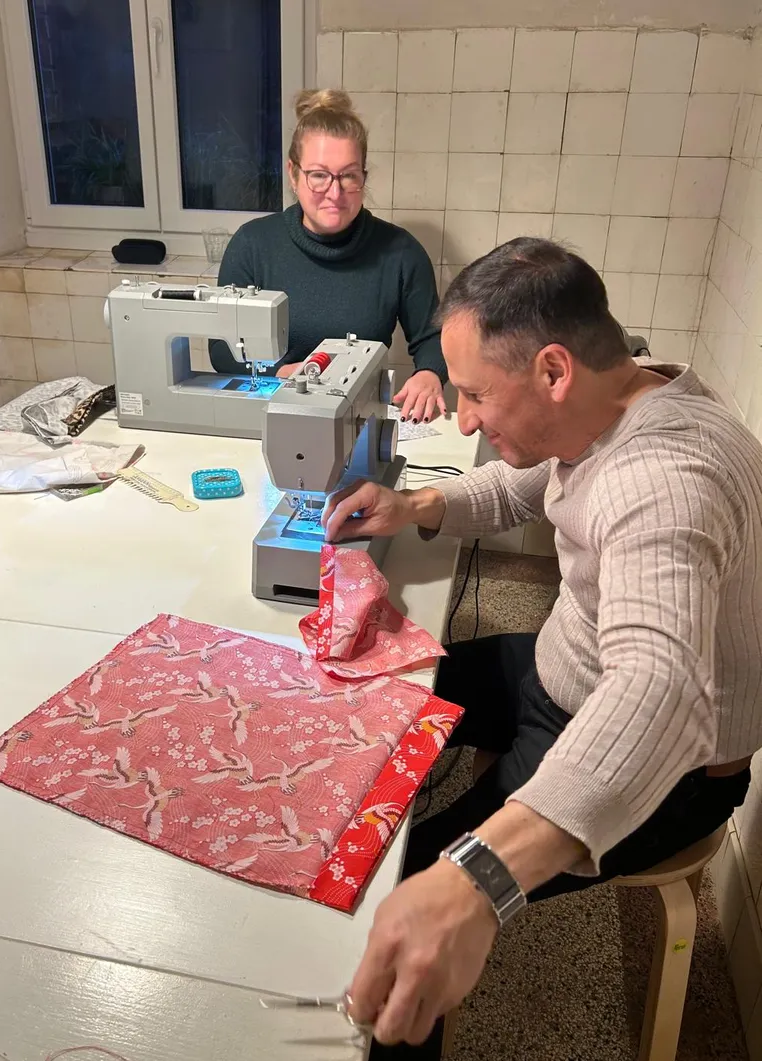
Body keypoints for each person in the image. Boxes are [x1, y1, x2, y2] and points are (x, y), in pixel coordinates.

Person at [322, 237, 762, 1057]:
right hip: (563, 670)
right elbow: (525, 484)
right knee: (390, 682)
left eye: (475, 394)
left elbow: (660, 692)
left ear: (553, 370)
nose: (464, 419)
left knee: (409, 884)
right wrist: (413, 504)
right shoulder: (625, 389)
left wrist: (477, 879)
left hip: (665, 769)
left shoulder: (663, 482)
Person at [209, 89, 448, 425]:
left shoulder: (401, 253)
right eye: (319, 175)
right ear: (293, 174)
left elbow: (433, 338)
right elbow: (222, 349)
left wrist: (429, 374)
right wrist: (279, 373)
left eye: (348, 176)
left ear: (363, 177)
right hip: (270, 413)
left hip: (358, 421)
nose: (334, 193)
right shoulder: (252, 245)